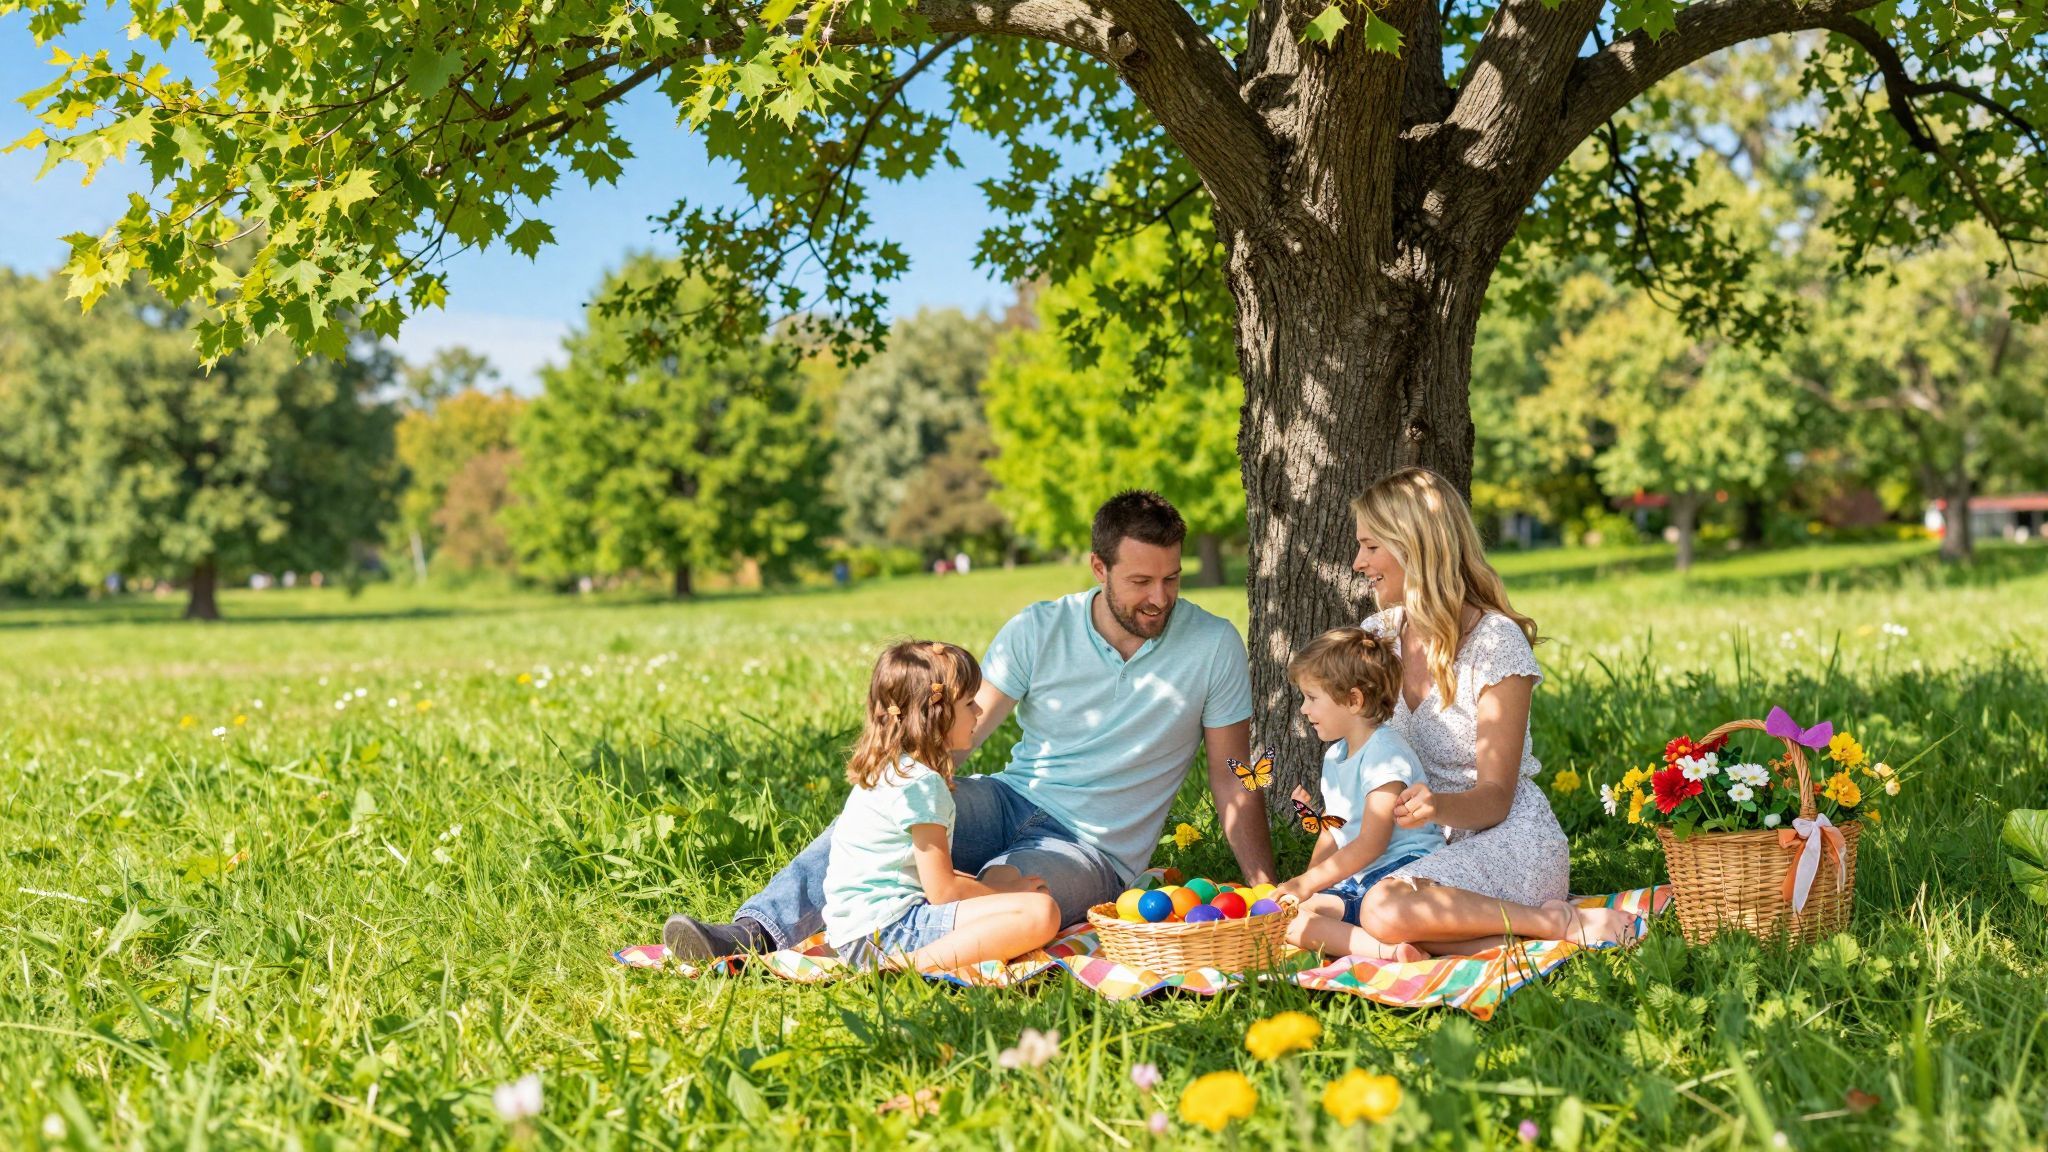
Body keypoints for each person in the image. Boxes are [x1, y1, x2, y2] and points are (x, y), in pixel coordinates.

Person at [664, 490, 1276, 959]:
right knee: (877, 822)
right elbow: (958, 730)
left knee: (1015, 892)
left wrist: (1265, 890)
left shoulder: (1213, 644)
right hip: (1011, 795)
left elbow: (1231, 777)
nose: (1159, 598)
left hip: (1093, 846)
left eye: (1171, 579)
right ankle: (750, 932)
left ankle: (912, 943)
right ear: (1098, 567)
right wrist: (912, 793)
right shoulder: (1040, 628)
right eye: (1140, 581)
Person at [1347, 468, 1637, 952]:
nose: (1359, 562)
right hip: (1421, 850)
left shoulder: (1495, 641)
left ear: (1415, 544)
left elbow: (1497, 798)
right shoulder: (1379, 636)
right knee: (1332, 907)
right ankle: (1479, 943)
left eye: (1371, 546)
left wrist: (1436, 805)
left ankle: (1553, 923)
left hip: (1509, 841)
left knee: (1379, 908)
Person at [822, 640, 1061, 970]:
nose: (979, 711)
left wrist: (997, 888)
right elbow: (944, 891)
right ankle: (908, 967)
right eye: (968, 704)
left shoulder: (895, 769)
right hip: (885, 935)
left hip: (859, 932)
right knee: (1041, 912)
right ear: (936, 715)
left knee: (1014, 886)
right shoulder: (921, 785)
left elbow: (930, 875)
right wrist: (998, 893)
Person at [1271, 627, 1440, 961]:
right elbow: (1335, 831)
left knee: (1310, 913)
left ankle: (1383, 943)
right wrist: (1305, 885)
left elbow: (1372, 842)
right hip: (1360, 880)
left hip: (1400, 875)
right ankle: (1392, 951)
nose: (1304, 709)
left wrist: (1309, 883)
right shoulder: (1336, 755)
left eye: (1312, 698)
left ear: (1353, 700)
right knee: (1289, 920)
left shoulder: (1384, 753)